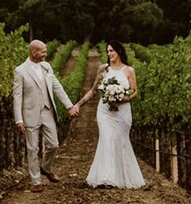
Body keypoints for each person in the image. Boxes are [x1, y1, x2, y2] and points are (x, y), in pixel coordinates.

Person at [73, 40, 145, 189]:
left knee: (120, 141)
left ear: (119, 51)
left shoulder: (129, 71)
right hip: (105, 112)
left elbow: (135, 92)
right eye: (108, 51)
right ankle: (107, 178)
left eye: (111, 51)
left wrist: (121, 99)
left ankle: (121, 177)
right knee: (107, 139)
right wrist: (78, 104)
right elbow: (93, 91)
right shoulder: (103, 69)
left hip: (122, 112)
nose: (109, 54)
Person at [13, 39, 80, 192]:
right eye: (43, 51)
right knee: (32, 148)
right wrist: (19, 119)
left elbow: (57, 87)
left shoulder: (46, 67)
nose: (46, 54)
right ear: (33, 52)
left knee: (54, 144)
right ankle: (36, 182)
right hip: (30, 114)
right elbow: (17, 97)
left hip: (47, 111)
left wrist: (69, 106)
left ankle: (46, 168)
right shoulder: (20, 71)